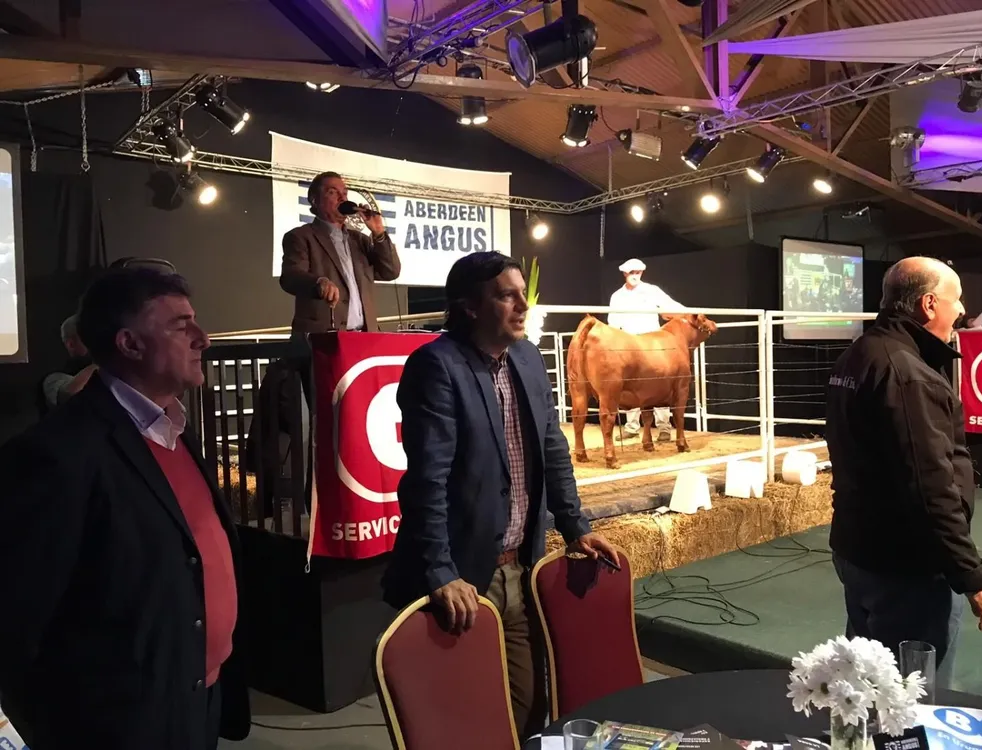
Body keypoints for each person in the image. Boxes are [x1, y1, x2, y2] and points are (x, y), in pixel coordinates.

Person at [0, 267, 250, 749]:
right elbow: (18, 620)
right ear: (130, 344)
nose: (204, 338)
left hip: (199, 700)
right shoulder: (56, 453)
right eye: (181, 325)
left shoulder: (173, 429)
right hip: (120, 724)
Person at [382, 251, 618, 742]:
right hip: (466, 578)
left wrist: (576, 527)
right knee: (467, 719)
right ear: (470, 306)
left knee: (529, 710)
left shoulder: (528, 358)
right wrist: (442, 572)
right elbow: (427, 481)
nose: (520, 305)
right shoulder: (435, 366)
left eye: (521, 294)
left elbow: (553, 448)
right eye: (505, 295)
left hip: (522, 569)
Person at [825, 256, 982, 689]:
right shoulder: (908, 375)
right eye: (956, 300)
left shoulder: (858, 355)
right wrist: (974, 578)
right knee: (911, 702)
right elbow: (930, 488)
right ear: (928, 304)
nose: (961, 311)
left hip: (859, 551)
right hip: (906, 568)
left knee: (866, 689)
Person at [279, 171, 401, 334]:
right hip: (323, 338)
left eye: (344, 193)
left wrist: (379, 234)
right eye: (332, 192)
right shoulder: (301, 237)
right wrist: (318, 282)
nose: (343, 198)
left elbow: (390, 272)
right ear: (315, 201)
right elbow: (290, 277)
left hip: (366, 338)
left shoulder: (360, 240)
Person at [607, 257, 685, 441]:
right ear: (625, 273)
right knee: (630, 385)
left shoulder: (651, 291)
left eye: (638, 272)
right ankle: (632, 426)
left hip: (652, 344)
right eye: (632, 272)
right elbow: (613, 323)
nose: (635, 275)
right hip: (629, 345)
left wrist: (689, 312)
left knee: (658, 383)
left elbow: (670, 305)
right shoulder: (617, 296)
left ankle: (664, 427)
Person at [39, 313, 97, 411]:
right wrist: (106, 360)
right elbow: (72, 394)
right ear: (71, 344)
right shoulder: (54, 377)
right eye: (91, 337)